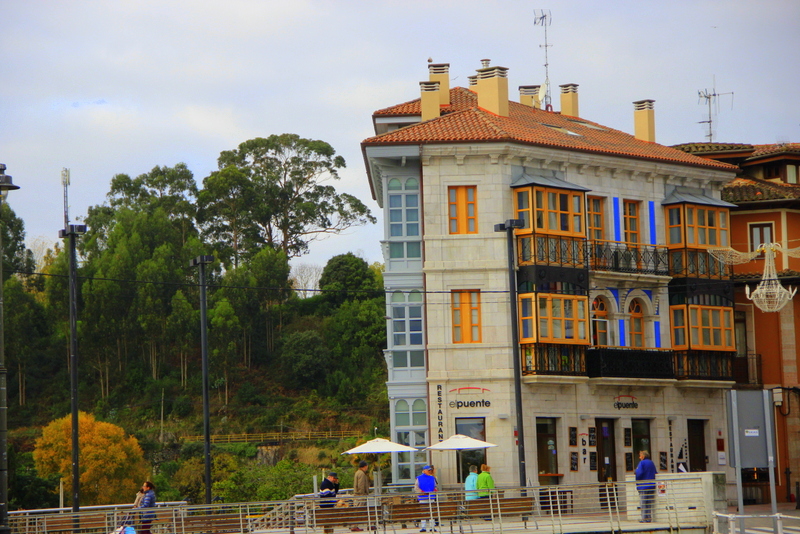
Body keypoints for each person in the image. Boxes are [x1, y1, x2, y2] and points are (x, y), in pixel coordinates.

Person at [635, 450, 657, 523]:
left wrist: (636, 474)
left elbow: (639, 473)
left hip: (643, 486)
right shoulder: (651, 462)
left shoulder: (642, 463)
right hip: (651, 485)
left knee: (643, 503)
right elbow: (655, 472)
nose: (639, 457)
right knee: (649, 503)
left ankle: (644, 518)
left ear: (643, 456)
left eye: (640, 456)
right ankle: (649, 518)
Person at [415, 465, 437, 532]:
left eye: (430, 470)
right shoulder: (419, 478)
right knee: (424, 512)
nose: (430, 471)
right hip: (423, 497)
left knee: (431, 513)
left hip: (431, 497)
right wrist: (422, 492)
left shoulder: (433, 478)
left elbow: (435, 486)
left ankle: (432, 526)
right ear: (424, 471)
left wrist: (435, 490)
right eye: (428, 470)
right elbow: (416, 487)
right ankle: (423, 527)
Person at [350, 461, 371, 532]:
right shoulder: (361, 474)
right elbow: (361, 485)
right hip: (360, 496)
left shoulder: (357, 473)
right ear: (364, 466)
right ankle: (354, 526)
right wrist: (362, 493)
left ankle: (368, 525)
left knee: (358, 510)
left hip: (357, 495)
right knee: (358, 511)